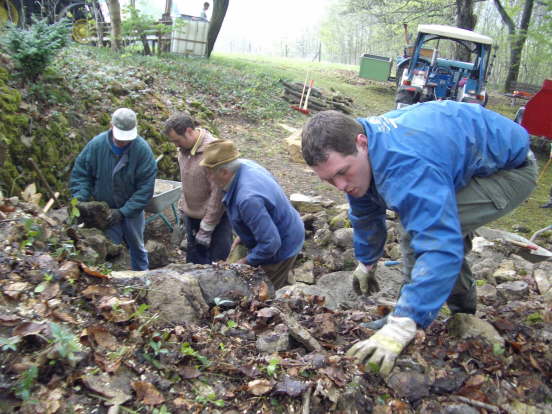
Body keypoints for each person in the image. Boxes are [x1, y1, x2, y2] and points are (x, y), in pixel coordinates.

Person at [301, 101, 537, 375]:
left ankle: (434, 314)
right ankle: (459, 312)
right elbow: (365, 212)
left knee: (426, 233)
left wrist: (404, 322)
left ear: (362, 143)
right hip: (458, 157)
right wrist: (366, 261)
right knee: (430, 225)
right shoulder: (360, 150)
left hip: (508, 170)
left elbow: (437, 244)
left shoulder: (405, 164)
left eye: (342, 172)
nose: (340, 186)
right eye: (329, 180)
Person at [199, 139, 305, 289]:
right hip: (284, 228)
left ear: (224, 172)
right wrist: (243, 235)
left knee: (263, 294)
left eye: (209, 173)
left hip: (283, 244)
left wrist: (246, 261)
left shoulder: (247, 198)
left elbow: (271, 244)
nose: (209, 178)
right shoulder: (244, 165)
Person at [70, 108, 157, 271]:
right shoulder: (96, 145)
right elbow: (81, 174)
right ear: (111, 126)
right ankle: (114, 279)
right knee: (111, 247)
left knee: (137, 246)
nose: (123, 142)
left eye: (127, 139)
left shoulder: (142, 150)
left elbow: (145, 189)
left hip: (133, 211)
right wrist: (80, 198)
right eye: (120, 137)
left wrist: (124, 212)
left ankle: (144, 277)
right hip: (106, 211)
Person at [163, 112, 232, 264]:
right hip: (192, 217)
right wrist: (183, 209)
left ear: (188, 131)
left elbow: (218, 193)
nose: (176, 145)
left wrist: (207, 227)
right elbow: (186, 180)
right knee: (194, 264)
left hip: (216, 221)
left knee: (217, 265)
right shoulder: (183, 150)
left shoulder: (213, 151)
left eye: (177, 140)